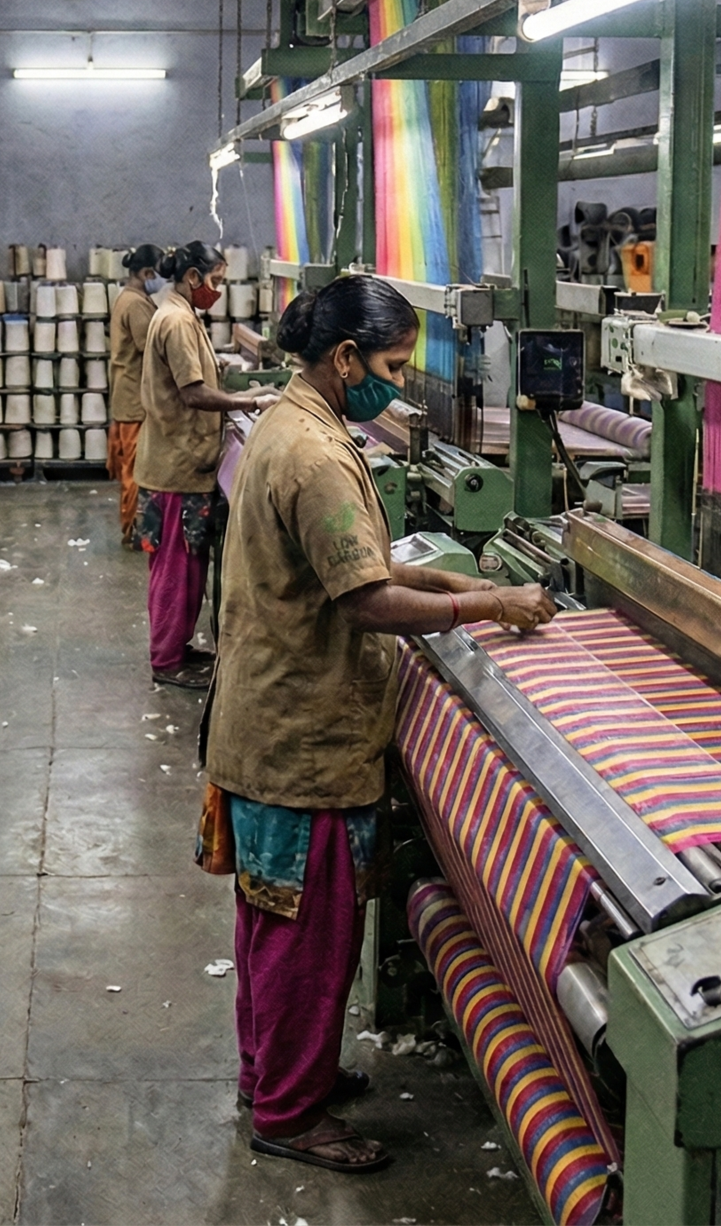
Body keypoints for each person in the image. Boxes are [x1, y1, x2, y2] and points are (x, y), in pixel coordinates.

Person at [200, 276, 556, 1174]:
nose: (398, 387)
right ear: (345, 357)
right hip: (303, 739)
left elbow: (356, 561)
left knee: (272, 926)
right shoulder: (316, 455)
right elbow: (363, 600)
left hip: (270, 722)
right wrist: (489, 604)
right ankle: (289, 1115)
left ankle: (273, 1075)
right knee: (306, 942)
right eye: (393, 368)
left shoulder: (294, 422)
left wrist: (448, 580)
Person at [134, 240, 274, 690]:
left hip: (182, 461)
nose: (217, 289)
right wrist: (249, 401)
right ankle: (166, 660)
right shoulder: (176, 320)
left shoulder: (183, 314)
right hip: (175, 466)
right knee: (175, 572)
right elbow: (192, 393)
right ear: (193, 277)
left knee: (188, 569)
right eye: (215, 280)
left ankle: (176, 648)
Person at [107, 243, 164, 549]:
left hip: (128, 394)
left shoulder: (129, 298)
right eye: (159, 273)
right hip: (134, 400)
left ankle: (135, 528)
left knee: (133, 466)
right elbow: (152, 350)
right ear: (146, 273)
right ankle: (133, 531)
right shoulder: (136, 305)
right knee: (135, 469)